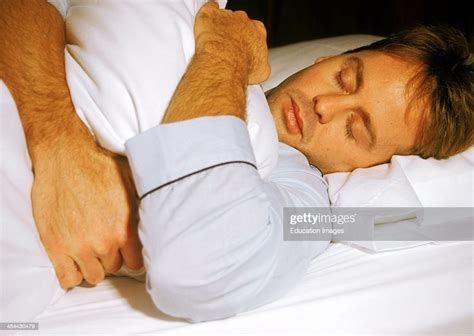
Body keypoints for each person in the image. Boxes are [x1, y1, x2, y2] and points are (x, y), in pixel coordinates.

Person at [1, 0, 472, 323]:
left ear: (367, 168)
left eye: (357, 128)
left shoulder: (307, 206)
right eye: (346, 78)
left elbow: (202, 266)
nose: (326, 106)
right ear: (331, 56)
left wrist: (223, 52)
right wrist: (61, 140)